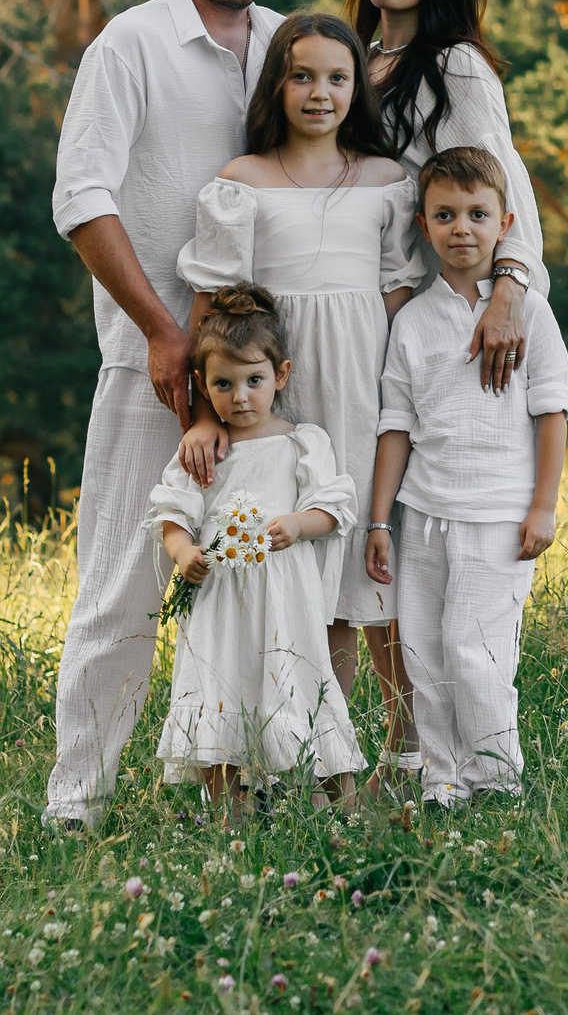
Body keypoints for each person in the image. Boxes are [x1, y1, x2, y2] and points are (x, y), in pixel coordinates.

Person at [44, 0, 289, 831]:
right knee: (121, 591)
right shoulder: (131, 46)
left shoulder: (287, 46)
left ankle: (237, 792)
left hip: (267, 376)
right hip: (153, 367)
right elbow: (81, 198)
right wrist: (157, 328)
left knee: (257, 584)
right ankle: (77, 805)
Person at [175, 12, 427, 782]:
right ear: (277, 85)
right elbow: (216, 305)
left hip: (358, 379)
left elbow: (397, 295)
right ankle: (260, 750)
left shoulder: (386, 181)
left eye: (338, 77)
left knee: (341, 567)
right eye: (303, 75)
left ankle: (335, 752)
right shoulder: (241, 181)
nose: (321, 92)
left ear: (358, 87)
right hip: (276, 383)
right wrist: (201, 412)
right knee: (271, 571)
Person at [363, 145, 568, 808]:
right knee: (424, 650)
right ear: (424, 226)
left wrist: (544, 505)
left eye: (477, 213)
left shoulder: (526, 312)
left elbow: (552, 407)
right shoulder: (413, 322)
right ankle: (442, 780)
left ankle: (496, 777)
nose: (462, 227)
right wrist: (380, 518)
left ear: (504, 223)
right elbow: (395, 424)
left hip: (498, 514)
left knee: (473, 650)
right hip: (423, 515)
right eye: (445, 214)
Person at [147, 286, 364, 818]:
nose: (240, 397)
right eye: (223, 384)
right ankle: (230, 814)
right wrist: (182, 553)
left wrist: (298, 523)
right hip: (220, 594)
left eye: (254, 381)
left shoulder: (301, 442)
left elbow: (337, 505)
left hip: (284, 597)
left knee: (301, 681)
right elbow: (170, 514)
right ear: (203, 384)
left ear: (281, 376)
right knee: (218, 685)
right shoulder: (206, 449)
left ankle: (343, 807)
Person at [350, 0, 549, 395]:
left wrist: (507, 294)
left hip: (419, 316)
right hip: (350, 302)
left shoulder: (454, 66)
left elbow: (507, 191)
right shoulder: (352, 62)